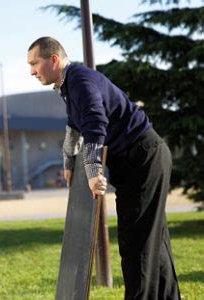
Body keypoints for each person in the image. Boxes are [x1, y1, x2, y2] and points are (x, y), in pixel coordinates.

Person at [27, 36, 181, 300]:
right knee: (153, 241)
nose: (31, 71)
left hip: (143, 157)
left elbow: (96, 123)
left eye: (34, 63)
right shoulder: (70, 84)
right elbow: (74, 126)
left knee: (136, 245)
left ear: (53, 59)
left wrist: (92, 170)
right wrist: (67, 162)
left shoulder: (81, 82)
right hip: (136, 160)